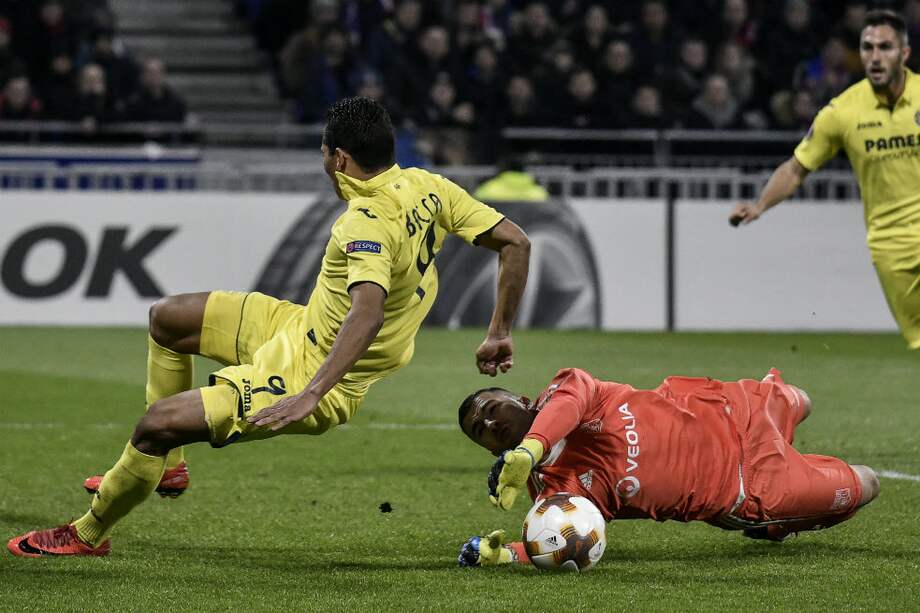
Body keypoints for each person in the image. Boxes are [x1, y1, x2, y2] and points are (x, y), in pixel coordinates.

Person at [7, 96, 531, 558]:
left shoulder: (364, 221)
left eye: (324, 154)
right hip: (297, 326)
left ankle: (88, 532)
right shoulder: (428, 186)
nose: (324, 163)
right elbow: (516, 241)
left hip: (316, 373)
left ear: (339, 159)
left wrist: (311, 394)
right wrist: (499, 329)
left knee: (154, 427)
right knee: (167, 318)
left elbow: (367, 311)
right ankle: (170, 468)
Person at [456, 367, 879, 566]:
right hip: (748, 487)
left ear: (521, 399)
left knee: (802, 396)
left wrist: (530, 450)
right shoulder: (557, 494)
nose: (491, 423)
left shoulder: (569, 388)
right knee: (867, 483)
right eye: (481, 431)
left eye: (493, 408)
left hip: (732, 409)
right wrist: (507, 556)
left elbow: (568, 405)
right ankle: (774, 524)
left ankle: (781, 501)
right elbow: (561, 543)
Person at [730, 10, 920, 350]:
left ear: (904, 54)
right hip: (891, 244)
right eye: (867, 48)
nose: (875, 57)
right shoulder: (842, 112)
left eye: (885, 47)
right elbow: (796, 168)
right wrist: (760, 205)